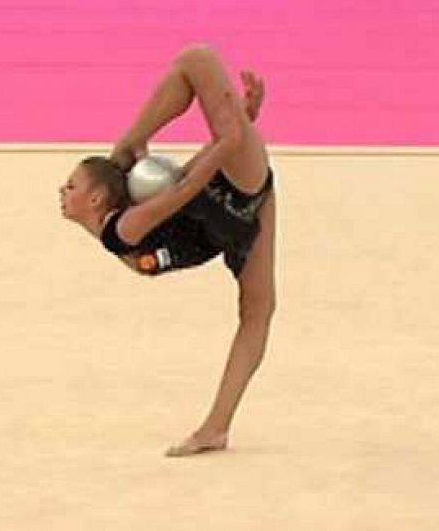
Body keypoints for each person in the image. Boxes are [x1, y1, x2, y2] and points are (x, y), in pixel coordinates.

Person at [58, 45, 276, 458]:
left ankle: (216, 427)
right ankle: (132, 144)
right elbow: (187, 188)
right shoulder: (126, 226)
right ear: (96, 200)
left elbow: (187, 187)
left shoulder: (123, 225)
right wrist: (230, 139)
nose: (62, 191)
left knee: (258, 312)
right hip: (231, 194)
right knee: (198, 59)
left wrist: (238, 129)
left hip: (223, 213)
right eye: (70, 185)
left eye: (69, 185)